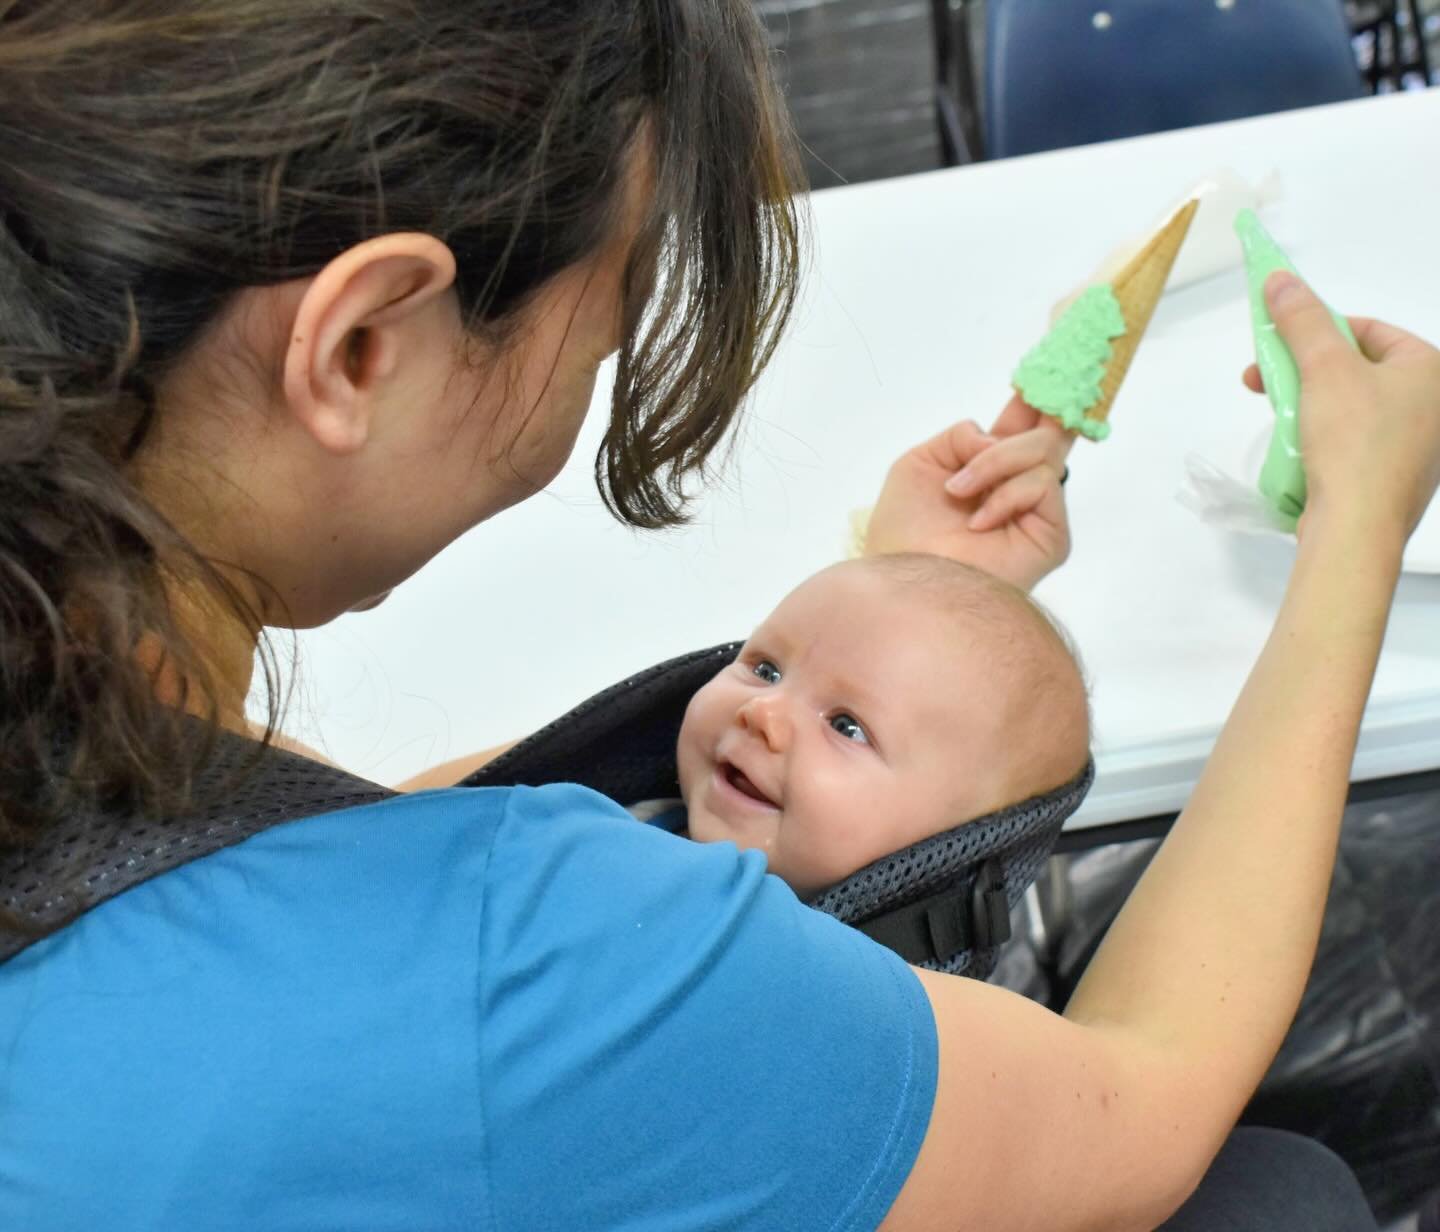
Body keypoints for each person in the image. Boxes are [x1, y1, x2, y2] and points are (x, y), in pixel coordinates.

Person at [0, 2, 1434, 1228]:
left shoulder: (80, 680)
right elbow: (1148, 1088)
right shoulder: (543, 969)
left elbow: (320, 862)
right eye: (622, 289)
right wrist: (1359, 521)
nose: (623, 337)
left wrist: (897, 617)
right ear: (366, 341)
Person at [634, 552, 1090, 898]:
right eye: (766, 669)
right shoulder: (635, 818)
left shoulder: (839, 996)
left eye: (846, 726)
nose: (761, 712)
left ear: (950, 849)